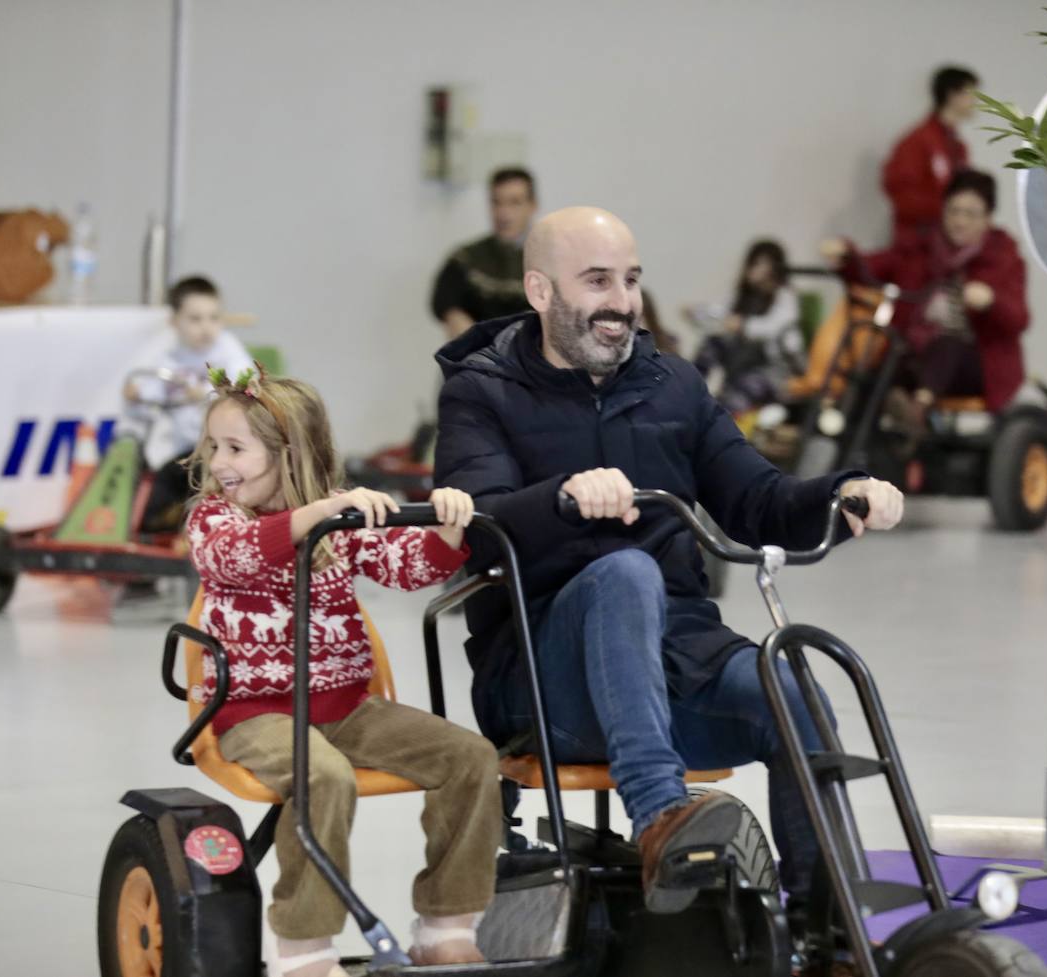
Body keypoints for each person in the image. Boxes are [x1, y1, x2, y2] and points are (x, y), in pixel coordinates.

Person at [433, 206, 904, 919]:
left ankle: (822, 930)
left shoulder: (673, 385)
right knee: (625, 571)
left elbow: (760, 500)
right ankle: (660, 819)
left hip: (678, 657)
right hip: (540, 679)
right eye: (597, 280)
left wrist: (847, 493)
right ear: (539, 290)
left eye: (631, 280)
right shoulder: (481, 388)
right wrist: (562, 496)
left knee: (792, 687)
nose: (621, 301)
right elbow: (476, 519)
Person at [186, 367, 500, 977]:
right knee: (325, 777)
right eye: (214, 447)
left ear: (291, 454)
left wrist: (448, 528)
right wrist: (322, 513)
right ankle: (302, 945)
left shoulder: (340, 527)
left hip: (348, 707)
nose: (219, 463)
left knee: (471, 757)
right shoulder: (214, 518)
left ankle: (445, 925)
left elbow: (409, 567)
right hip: (254, 712)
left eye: (235, 449)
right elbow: (234, 558)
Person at [823, 169, 1029, 424]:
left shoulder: (1004, 259)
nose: (960, 221)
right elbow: (872, 268)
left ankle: (916, 414)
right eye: (954, 211)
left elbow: (1018, 318)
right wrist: (846, 255)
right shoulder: (920, 249)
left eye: (970, 214)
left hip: (975, 363)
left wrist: (991, 301)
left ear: (987, 219)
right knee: (880, 367)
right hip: (916, 354)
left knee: (946, 345)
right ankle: (844, 425)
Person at [131, 276, 255, 533]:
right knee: (149, 508)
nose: (206, 327)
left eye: (214, 318)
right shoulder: (168, 359)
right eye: (195, 319)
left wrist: (204, 392)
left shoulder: (228, 350)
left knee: (206, 485)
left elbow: (246, 384)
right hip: (181, 453)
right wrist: (139, 392)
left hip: (221, 452)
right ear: (175, 322)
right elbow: (150, 390)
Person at [688, 239, 805, 412]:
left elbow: (772, 328)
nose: (753, 268)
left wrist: (742, 325)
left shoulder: (785, 296)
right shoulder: (744, 295)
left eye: (760, 263)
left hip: (772, 370)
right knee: (712, 344)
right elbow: (723, 316)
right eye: (753, 262)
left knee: (733, 399)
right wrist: (699, 314)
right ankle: (689, 390)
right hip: (742, 364)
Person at [430, 167, 537, 340]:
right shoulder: (464, 259)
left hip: (532, 361)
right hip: (476, 360)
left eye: (514, 202)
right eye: (496, 202)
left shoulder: (549, 261)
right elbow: (451, 313)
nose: (504, 213)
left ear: (532, 205)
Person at [883, 66, 978, 245]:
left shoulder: (958, 147)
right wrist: (947, 211)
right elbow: (900, 191)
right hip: (918, 246)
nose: (976, 101)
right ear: (952, 95)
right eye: (971, 94)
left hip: (948, 243)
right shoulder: (918, 141)